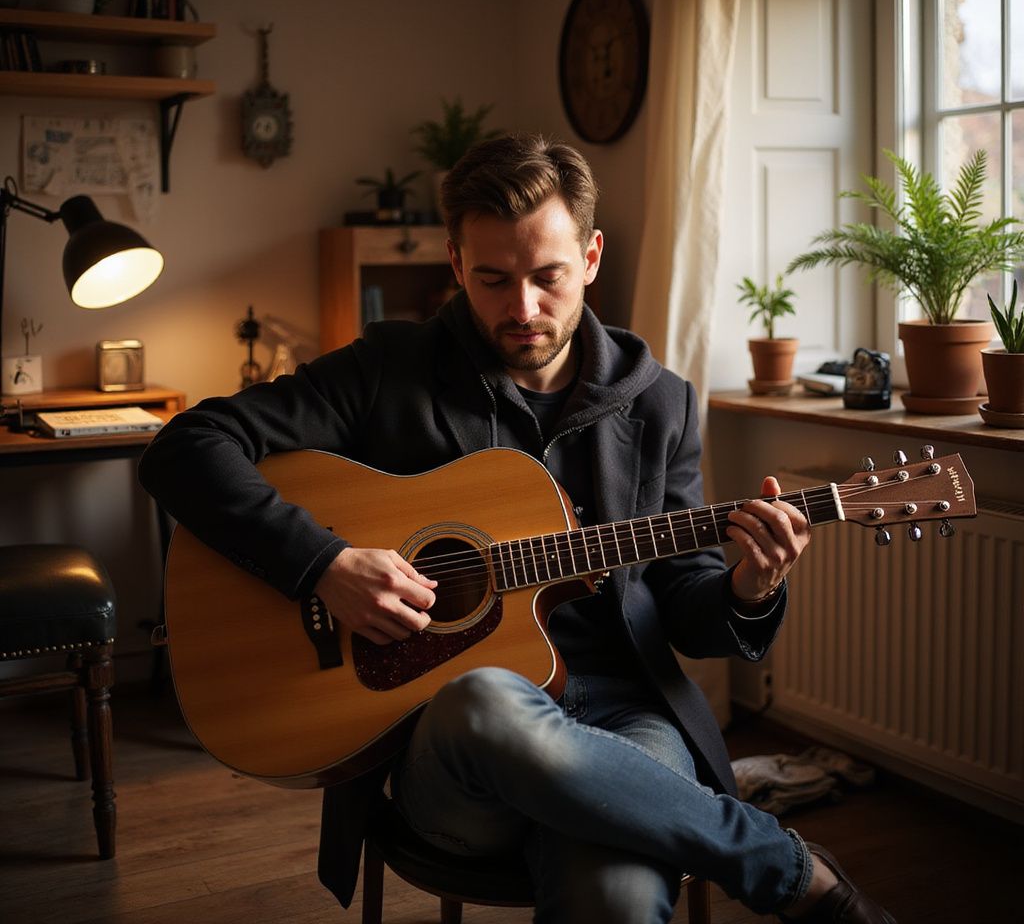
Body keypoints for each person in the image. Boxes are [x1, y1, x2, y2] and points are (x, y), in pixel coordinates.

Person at [139, 134, 895, 923]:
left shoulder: (660, 402)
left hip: (624, 723)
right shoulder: (389, 370)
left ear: (593, 256)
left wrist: (748, 585)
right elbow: (186, 448)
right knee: (487, 701)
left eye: (548, 277)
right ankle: (792, 873)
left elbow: (683, 604)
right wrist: (322, 561)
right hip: (451, 754)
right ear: (456, 263)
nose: (524, 308)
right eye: (494, 279)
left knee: (618, 901)